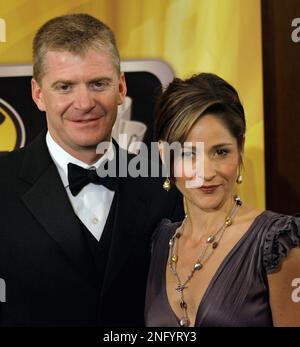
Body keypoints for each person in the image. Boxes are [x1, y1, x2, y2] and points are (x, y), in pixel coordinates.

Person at [0, 13, 184, 327]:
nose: (84, 103)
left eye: (98, 83)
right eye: (65, 87)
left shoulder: (165, 180)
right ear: (38, 94)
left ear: (121, 86)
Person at [145, 73, 300, 327]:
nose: (206, 173)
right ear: (164, 156)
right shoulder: (160, 242)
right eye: (188, 154)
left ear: (240, 149)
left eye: (220, 152)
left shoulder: (277, 243)